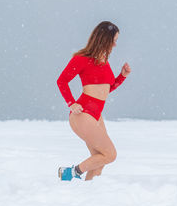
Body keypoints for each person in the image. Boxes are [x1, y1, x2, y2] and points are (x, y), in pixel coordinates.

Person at [56, 21, 131, 181]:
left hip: (96, 114)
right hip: (83, 114)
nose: (115, 45)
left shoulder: (104, 61)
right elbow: (61, 81)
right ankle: (70, 173)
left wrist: (122, 76)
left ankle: (89, 192)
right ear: (104, 39)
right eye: (114, 40)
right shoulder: (81, 59)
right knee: (110, 154)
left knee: (99, 160)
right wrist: (71, 103)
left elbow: (106, 89)